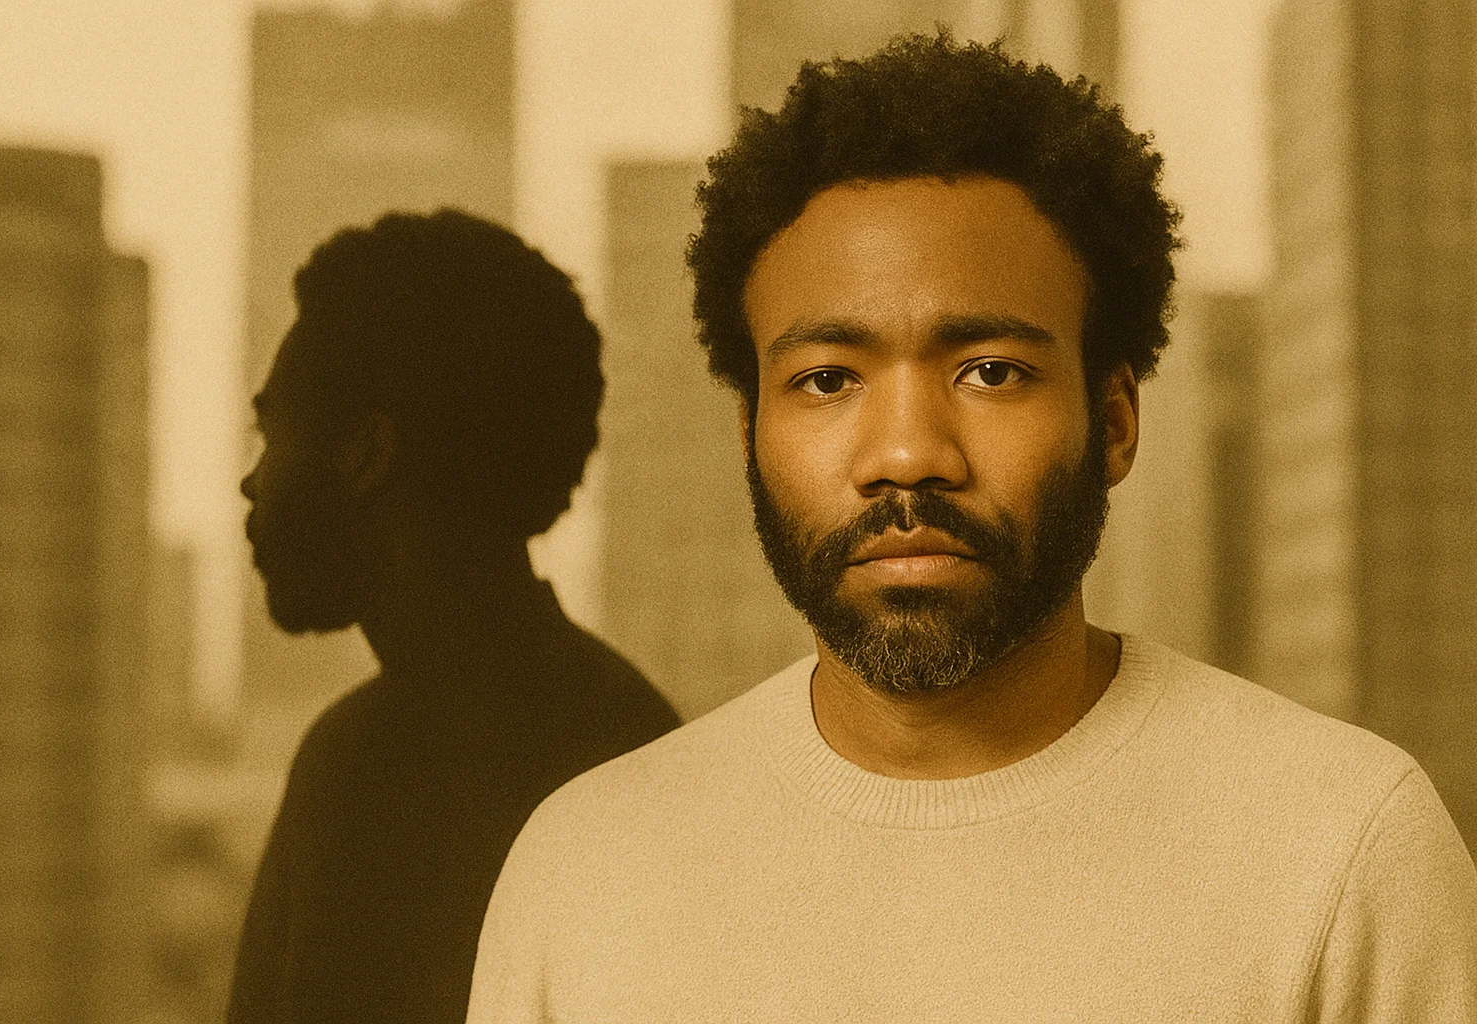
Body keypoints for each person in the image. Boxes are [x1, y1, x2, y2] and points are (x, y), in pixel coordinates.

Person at [466, 33, 1477, 1022]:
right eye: (827, 380)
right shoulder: (588, 876)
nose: (907, 453)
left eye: (990, 370)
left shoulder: (1342, 846)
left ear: (1115, 420)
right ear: (750, 434)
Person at [228, 210, 680, 1024]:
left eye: (269, 433)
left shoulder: (361, 766)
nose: (251, 484)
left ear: (366, 454)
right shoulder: (637, 743)